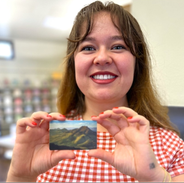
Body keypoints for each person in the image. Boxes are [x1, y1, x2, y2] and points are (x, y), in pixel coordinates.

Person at [7, 1, 184, 182]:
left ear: (137, 63)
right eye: (88, 48)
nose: (101, 58)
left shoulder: (168, 144)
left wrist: (157, 178)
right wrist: (20, 176)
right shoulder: (52, 136)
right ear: (73, 65)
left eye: (117, 46)